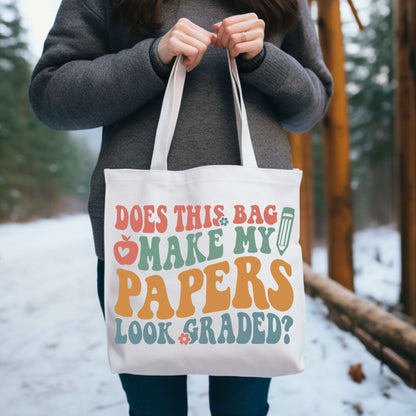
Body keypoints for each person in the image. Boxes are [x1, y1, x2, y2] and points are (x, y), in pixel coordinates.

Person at [29, 0, 333, 414]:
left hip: (250, 241)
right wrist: (152, 58)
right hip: (144, 243)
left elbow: (311, 107)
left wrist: (265, 59)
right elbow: (50, 95)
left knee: (242, 411)